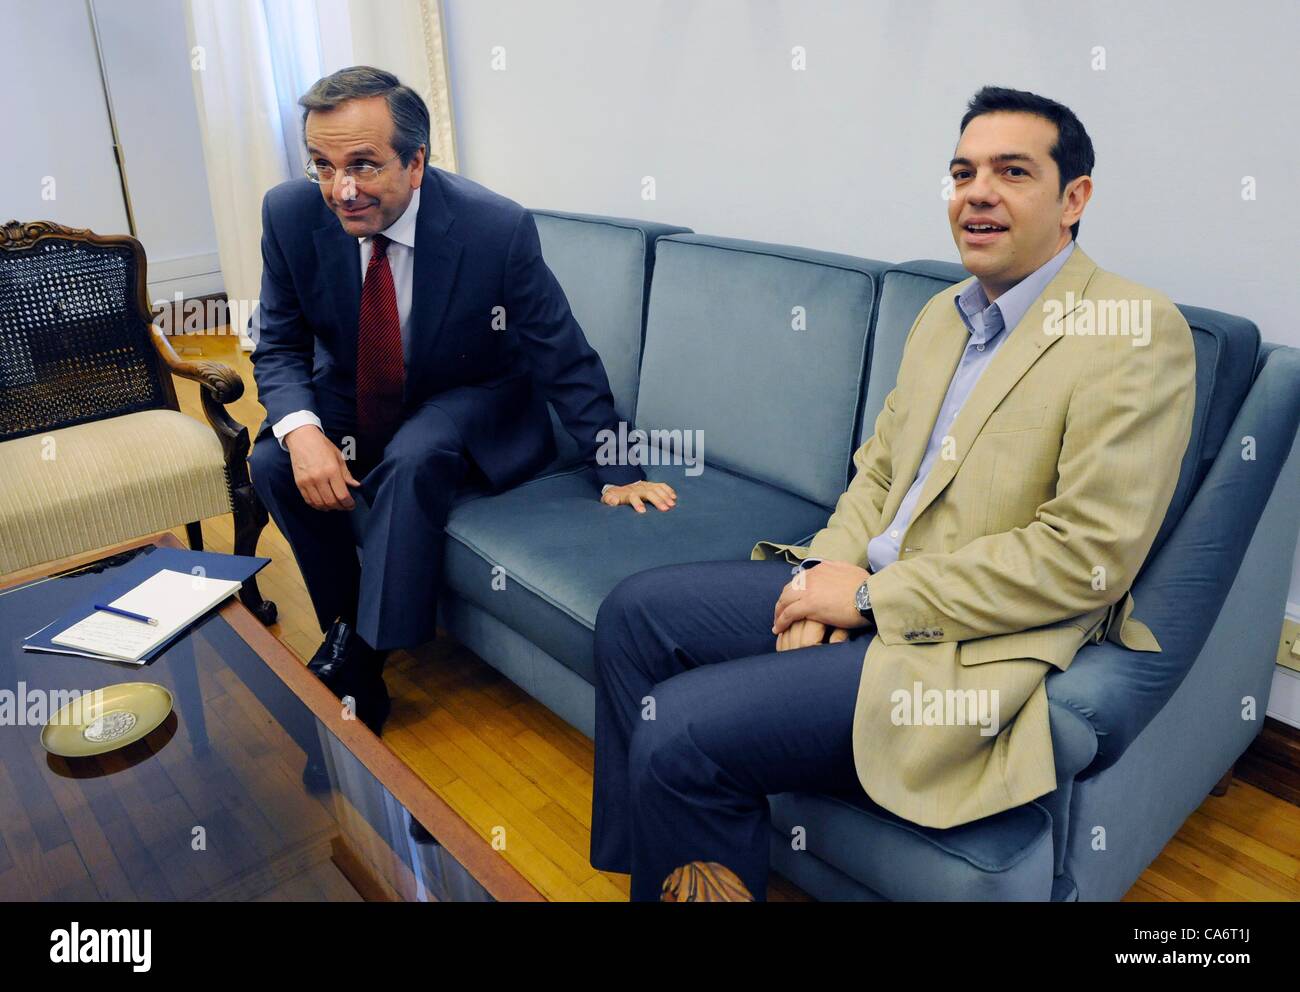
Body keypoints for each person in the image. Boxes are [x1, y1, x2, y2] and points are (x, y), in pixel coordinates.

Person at [589, 86, 1196, 901]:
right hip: (864, 585)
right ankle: (667, 876)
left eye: (1012, 171)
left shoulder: (1134, 330)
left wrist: (872, 600)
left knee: (680, 731)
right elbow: (878, 473)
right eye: (963, 172)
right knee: (633, 614)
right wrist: (815, 589)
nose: (977, 192)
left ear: (1074, 198)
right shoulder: (943, 315)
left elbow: (1085, 557)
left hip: (965, 638)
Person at [249, 66, 675, 735]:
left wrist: (620, 468)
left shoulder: (493, 228)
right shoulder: (290, 214)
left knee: (418, 452)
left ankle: (363, 658)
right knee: (274, 461)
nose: (342, 189)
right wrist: (301, 433)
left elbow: (560, 352)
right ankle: (344, 622)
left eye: (363, 164)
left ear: (416, 162)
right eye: (323, 167)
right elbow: (276, 344)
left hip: (472, 396)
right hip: (356, 393)